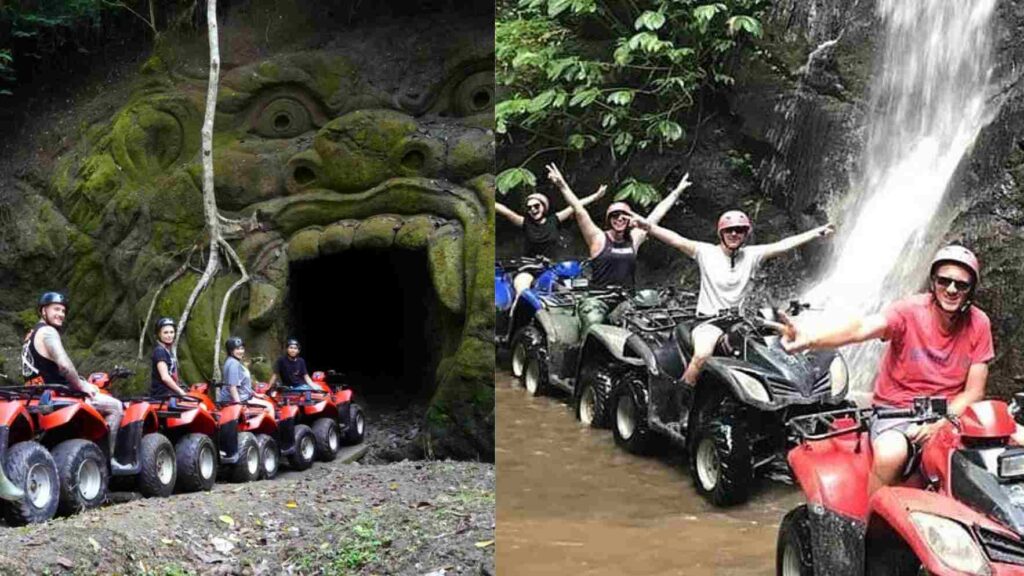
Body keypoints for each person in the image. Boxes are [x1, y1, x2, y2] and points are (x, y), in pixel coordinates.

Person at [780, 245, 993, 494]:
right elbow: (861, 328)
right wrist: (810, 338)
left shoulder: (979, 323)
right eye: (944, 281)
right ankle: (871, 523)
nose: (952, 289)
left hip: (950, 414)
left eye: (961, 284)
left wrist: (943, 421)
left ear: (970, 290)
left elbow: (974, 392)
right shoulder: (907, 311)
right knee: (892, 453)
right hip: (897, 413)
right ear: (933, 282)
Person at [630, 208, 834, 386]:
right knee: (702, 355)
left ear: (746, 234)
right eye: (730, 230)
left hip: (740, 321)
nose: (734, 234)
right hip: (709, 322)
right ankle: (682, 398)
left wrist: (816, 233)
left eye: (740, 230)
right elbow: (675, 239)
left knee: (785, 336)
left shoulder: (752, 255)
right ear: (721, 233)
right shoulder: (705, 252)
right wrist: (647, 225)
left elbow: (784, 244)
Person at [545, 163, 690, 289]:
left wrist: (676, 192)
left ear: (630, 218)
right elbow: (579, 210)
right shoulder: (598, 238)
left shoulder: (634, 237)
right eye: (614, 215)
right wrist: (562, 185)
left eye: (623, 215)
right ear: (609, 219)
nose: (619, 219)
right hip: (599, 298)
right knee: (593, 318)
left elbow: (656, 215)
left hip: (626, 300)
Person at [22, 292, 126, 465]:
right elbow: (64, 365)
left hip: (36, 393)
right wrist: (81, 385)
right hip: (58, 394)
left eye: (63, 311)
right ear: (43, 311)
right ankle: (105, 460)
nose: (61, 314)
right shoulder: (48, 332)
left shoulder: (30, 334)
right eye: (56, 309)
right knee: (115, 407)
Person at [150, 317, 187, 397]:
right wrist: (181, 392)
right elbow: (165, 377)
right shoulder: (160, 351)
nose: (169, 335)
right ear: (159, 334)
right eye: (165, 333)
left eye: (171, 332)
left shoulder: (167, 351)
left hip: (170, 392)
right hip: (163, 395)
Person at [218, 336, 254, 403]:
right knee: (269, 407)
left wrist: (255, 394)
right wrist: (239, 404)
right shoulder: (234, 364)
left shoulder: (231, 360)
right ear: (231, 351)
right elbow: (232, 387)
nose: (240, 351)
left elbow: (243, 383)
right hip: (238, 400)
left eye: (242, 348)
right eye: (237, 349)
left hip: (242, 397)